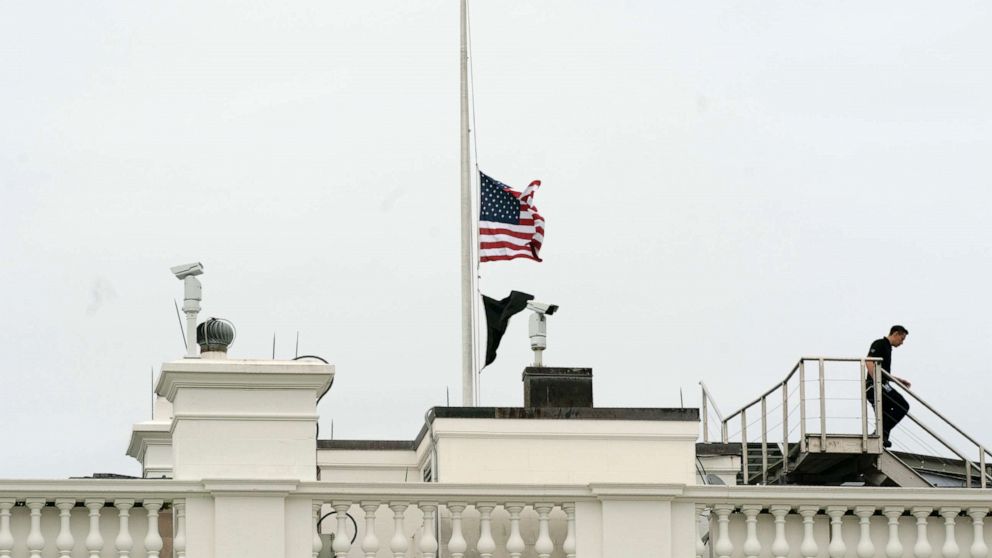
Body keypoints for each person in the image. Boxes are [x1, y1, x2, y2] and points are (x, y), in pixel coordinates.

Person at [865, 325, 911, 448]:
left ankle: (881, 436)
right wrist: (876, 381)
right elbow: (868, 361)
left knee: (885, 414)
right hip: (875, 386)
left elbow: (884, 372)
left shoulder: (888, 348)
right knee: (902, 405)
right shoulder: (880, 343)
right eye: (902, 339)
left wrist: (898, 380)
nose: (902, 343)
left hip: (882, 384)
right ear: (895, 334)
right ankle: (881, 433)